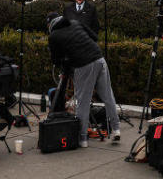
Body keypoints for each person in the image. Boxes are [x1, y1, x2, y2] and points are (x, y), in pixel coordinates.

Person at [47, 11, 120, 147]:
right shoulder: (75, 22)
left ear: (50, 24)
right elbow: (94, 37)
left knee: (83, 101)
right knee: (108, 96)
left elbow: (56, 60)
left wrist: (67, 61)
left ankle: (83, 138)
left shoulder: (54, 36)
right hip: (99, 58)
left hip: (83, 65)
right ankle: (116, 129)